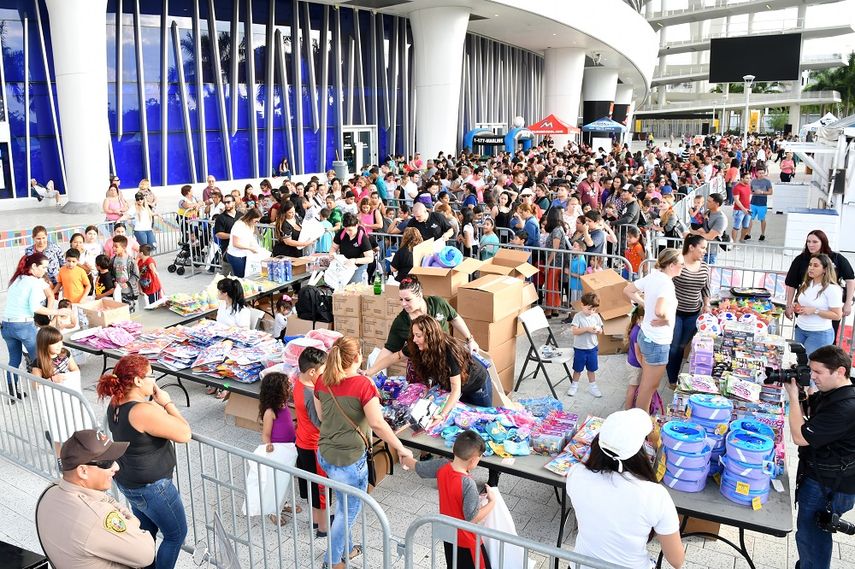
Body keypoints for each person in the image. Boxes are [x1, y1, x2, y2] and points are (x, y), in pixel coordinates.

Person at [313, 337, 414, 569]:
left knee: (341, 503)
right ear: (358, 357)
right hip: (350, 459)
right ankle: (333, 560)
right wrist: (400, 447)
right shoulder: (363, 385)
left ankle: (346, 549)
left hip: (326, 453)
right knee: (346, 514)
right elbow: (377, 424)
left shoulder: (322, 380)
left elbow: (321, 417)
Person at [96, 355, 191, 569]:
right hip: (153, 487)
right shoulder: (142, 410)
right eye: (151, 376)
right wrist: (167, 402)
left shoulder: (116, 401)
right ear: (138, 381)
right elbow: (185, 433)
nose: (154, 381)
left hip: (131, 481)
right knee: (176, 535)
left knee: (147, 533)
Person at [566, 408, 684, 569]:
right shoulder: (655, 495)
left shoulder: (576, 474)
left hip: (579, 566)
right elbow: (677, 560)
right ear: (640, 452)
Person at [35, 429, 156, 569]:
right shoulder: (96, 516)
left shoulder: (50, 492)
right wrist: (133, 523)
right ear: (83, 471)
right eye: (107, 462)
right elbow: (146, 554)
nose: (116, 466)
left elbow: (105, 500)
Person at [783, 345, 855, 569]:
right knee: (811, 533)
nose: (812, 377)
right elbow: (812, 415)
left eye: (818, 372)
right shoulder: (836, 392)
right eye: (810, 371)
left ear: (840, 371)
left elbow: (799, 436)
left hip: (828, 485)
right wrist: (805, 394)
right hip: (825, 477)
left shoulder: (845, 407)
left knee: (811, 536)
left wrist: (793, 398)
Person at [401, 430, 496, 569]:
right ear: (474, 460)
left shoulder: (441, 466)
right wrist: (492, 502)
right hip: (467, 541)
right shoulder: (468, 483)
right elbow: (473, 518)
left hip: (448, 535)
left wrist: (403, 455)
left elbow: (417, 466)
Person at [362, 276, 477, 377]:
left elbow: (454, 318)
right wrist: (371, 371)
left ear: (420, 295)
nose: (403, 304)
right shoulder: (401, 322)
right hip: (423, 370)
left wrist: (470, 339)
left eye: (407, 299)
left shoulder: (437, 303)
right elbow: (390, 350)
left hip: (447, 361)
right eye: (400, 299)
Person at [623, 248, 684, 413]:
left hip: (647, 335)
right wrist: (666, 318)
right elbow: (659, 310)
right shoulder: (666, 283)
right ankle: (640, 420)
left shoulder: (653, 276)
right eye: (681, 264)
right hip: (657, 341)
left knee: (646, 385)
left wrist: (644, 304)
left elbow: (628, 290)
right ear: (671, 265)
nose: (683, 267)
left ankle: (639, 418)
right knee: (649, 387)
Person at [3, 253, 69, 390]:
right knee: (40, 359)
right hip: (23, 326)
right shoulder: (33, 282)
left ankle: (12, 391)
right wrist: (58, 312)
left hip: (6, 326)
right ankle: (48, 389)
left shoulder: (17, 279)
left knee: (14, 360)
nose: (46, 270)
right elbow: (35, 307)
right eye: (44, 267)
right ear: (34, 266)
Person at [409, 315, 494, 421]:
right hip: (459, 386)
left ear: (430, 336)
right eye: (414, 335)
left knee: (483, 419)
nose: (414, 339)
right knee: (462, 419)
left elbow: (455, 388)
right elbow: (398, 355)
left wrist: (442, 415)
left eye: (418, 335)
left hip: (477, 384)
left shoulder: (449, 352)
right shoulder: (419, 347)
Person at [785, 230, 855, 338]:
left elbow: (850, 279)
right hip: (804, 308)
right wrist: (789, 305)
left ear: (823, 242)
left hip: (829, 308)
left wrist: (848, 303)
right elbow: (791, 283)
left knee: (826, 345)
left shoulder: (836, 258)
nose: (810, 244)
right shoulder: (801, 259)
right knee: (802, 345)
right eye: (808, 241)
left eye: (814, 242)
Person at [292, 347, 331, 537]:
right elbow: (319, 422)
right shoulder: (310, 393)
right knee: (321, 489)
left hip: (302, 442)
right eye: (323, 372)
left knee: (311, 486)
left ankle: (316, 520)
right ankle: (324, 528)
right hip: (315, 445)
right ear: (312, 372)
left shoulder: (297, 383)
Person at [30, 325, 85, 452]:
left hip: (68, 395)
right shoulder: (38, 363)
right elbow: (35, 385)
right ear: (45, 344)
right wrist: (52, 380)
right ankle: (59, 456)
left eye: (60, 341)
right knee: (56, 426)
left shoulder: (65, 353)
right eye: (54, 343)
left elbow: (75, 369)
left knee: (73, 422)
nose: (59, 345)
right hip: (52, 400)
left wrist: (67, 377)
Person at [666, 235, 710, 387]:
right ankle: (672, 379)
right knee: (674, 347)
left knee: (682, 346)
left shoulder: (704, 267)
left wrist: (707, 305)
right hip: (675, 312)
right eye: (702, 247)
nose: (705, 251)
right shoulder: (678, 263)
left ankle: (675, 372)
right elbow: (666, 281)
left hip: (693, 313)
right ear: (691, 247)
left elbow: (706, 288)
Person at [258, 372, 301, 526]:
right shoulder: (270, 412)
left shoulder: (284, 406)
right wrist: (268, 445)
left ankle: (284, 503)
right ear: (277, 391)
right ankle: (272, 510)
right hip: (277, 453)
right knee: (275, 482)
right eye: (287, 386)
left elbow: (287, 425)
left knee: (286, 480)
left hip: (289, 450)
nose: (290, 388)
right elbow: (266, 434)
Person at [791, 254, 843, 356]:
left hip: (819, 333)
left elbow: (837, 315)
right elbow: (804, 304)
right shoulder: (806, 284)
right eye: (810, 265)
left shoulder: (832, 289)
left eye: (816, 265)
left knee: (811, 364)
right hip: (800, 329)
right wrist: (796, 307)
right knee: (801, 361)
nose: (811, 268)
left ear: (825, 269)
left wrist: (815, 311)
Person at [331, 213, 374, 284]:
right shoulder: (341, 233)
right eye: (346, 230)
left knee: (355, 289)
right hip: (343, 266)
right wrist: (332, 254)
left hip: (358, 267)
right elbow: (334, 247)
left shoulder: (362, 238)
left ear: (356, 226)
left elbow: (370, 258)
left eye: (350, 230)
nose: (348, 232)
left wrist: (354, 260)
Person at [226, 208, 265, 278]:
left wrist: (257, 248)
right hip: (236, 255)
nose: (257, 223)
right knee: (240, 277)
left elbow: (250, 239)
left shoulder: (251, 225)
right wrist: (250, 248)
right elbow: (236, 243)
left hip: (244, 254)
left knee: (245, 276)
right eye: (256, 221)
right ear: (251, 217)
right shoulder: (239, 225)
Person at [689, 193, 726, 264]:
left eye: (709, 201)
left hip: (710, 252)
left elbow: (710, 236)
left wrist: (695, 232)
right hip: (699, 250)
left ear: (717, 204)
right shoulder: (707, 212)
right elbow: (693, 226)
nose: (706, 203)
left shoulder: (721, 219)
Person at [623, 305, 645, 410]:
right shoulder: (637, 332)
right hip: (635, 366)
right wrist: (645, 368)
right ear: (640, 317)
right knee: (633, 387)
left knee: (633, 387)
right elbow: (638, 354)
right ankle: (627, 410)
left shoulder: (636, 328)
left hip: (633, 363)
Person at [111, 235, 140, 311]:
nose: (113, 248)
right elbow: (111, 273)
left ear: (124, 247)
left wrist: (127, 283)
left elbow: (136, 275)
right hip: (117, 292)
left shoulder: (131, 261)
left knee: (129, 312)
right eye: (113, 246)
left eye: (116, 246)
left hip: (128, 292)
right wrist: (114, 281)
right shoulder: (113, 260)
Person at [212, 192, 239, 275]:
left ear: (234, 203)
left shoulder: (241, 216)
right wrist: (232, 236)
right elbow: (218, 234)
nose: (226, 204)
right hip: (227, 251)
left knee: (239, 277)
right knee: (226, 278)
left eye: (228, 202)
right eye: (225, 203)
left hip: (241, 250)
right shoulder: (221, 218)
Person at [746, 166, 773, 241]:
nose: (761, 174)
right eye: (760, 173)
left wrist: (762, 192)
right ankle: (748, 234)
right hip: (753, 202)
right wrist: (754, 192)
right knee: (750, 219)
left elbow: (771, 192)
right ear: (756, 173)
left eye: (763, 173)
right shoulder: (753, 181)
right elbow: (750, 190)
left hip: (762, 203)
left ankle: (762, 234)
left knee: (762, 219)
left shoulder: (767, 181)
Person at [730, 171, 752, 242]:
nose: (749, 180)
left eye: (749, 178)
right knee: (736, 227)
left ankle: (741, 238)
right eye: (747, 178)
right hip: (739, 210)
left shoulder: (748, 186)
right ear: (742, 179)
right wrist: (743, 209)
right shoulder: (737, 187)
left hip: (747, 209)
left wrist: (748, 208)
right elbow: (736, 200)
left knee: (746, 226)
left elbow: (748, 198)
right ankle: (734, 242)